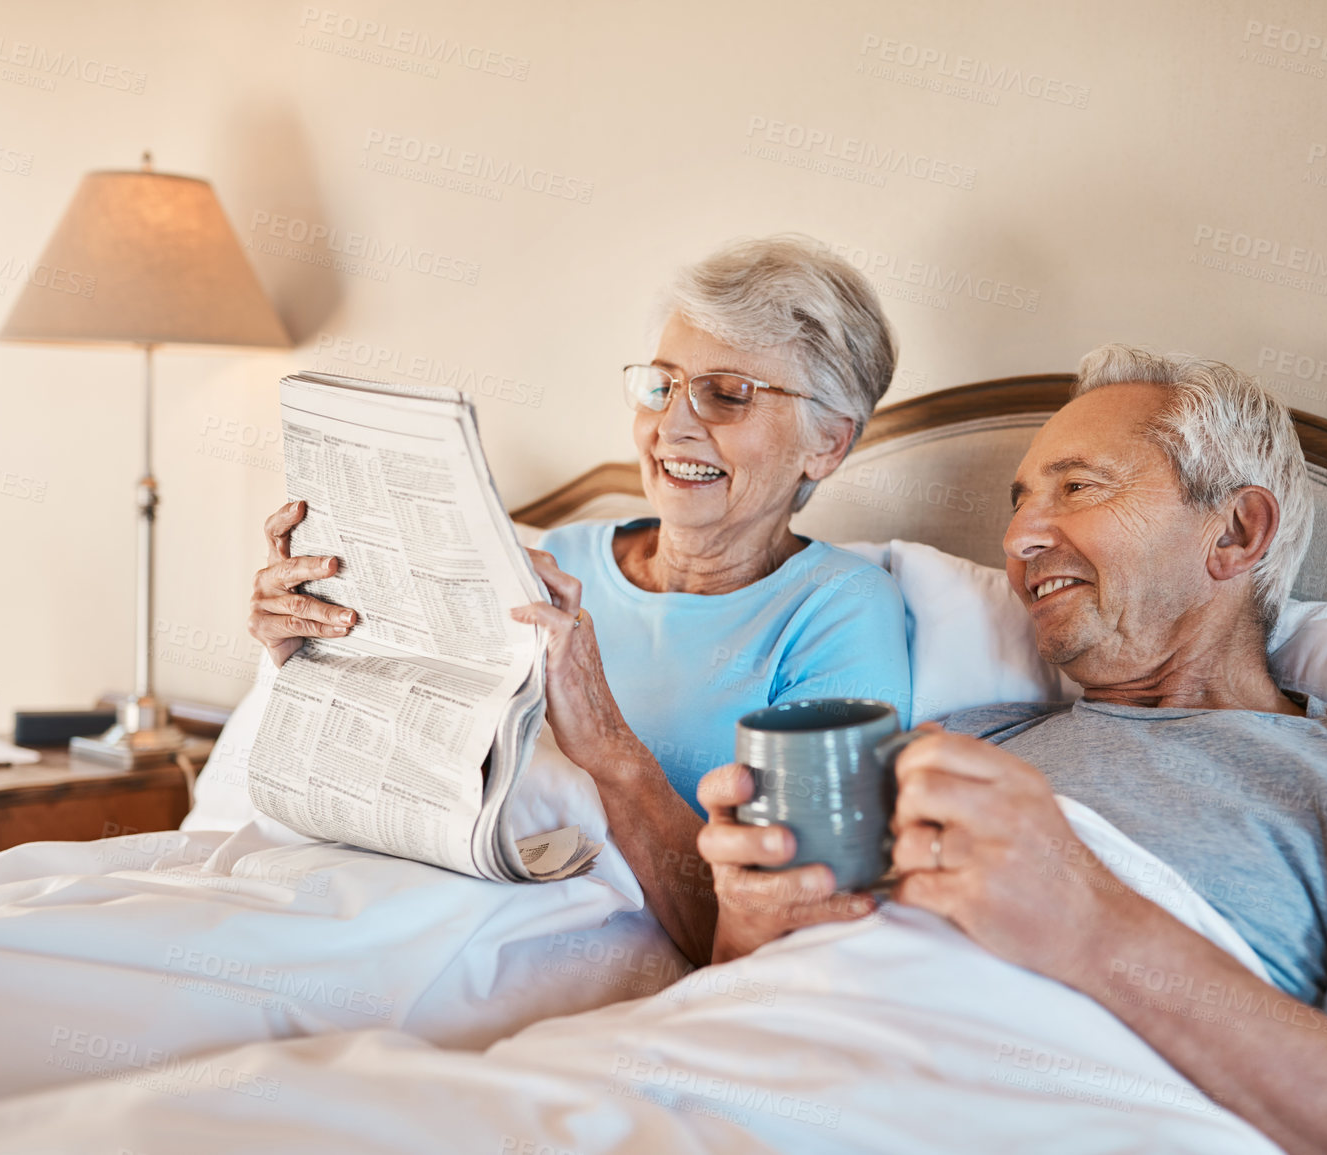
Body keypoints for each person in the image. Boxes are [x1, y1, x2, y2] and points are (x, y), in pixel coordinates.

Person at [698, 344, 1327, 1155]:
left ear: (1234, 533)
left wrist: (1091, 924)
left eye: (1076, 489)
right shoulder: (962, 747)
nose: (1018, 539)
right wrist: (747, 927)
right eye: (1019, 504)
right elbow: (760, 1007)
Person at [248, 236, 911, 965]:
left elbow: (784, 941)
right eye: (662, 386)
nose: (672, 426)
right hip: (388, 899)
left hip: (560, 955)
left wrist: (605, 744)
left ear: (827, 442)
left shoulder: (842, 611)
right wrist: (314, 658)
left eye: (728, 394)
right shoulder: (554, 560)